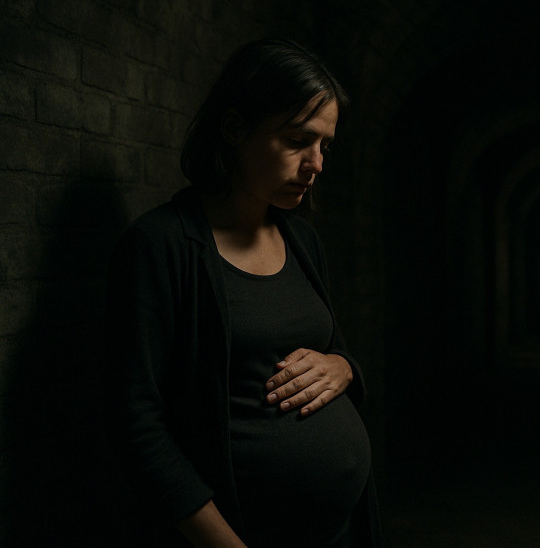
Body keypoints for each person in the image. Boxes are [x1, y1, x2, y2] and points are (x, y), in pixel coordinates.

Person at [104, 39, 380, 547]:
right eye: (298, 140)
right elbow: (135, 426)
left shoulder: (302, 242)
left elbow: (334, 350)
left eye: (325, 145)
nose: (316, 164)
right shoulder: (162, 247)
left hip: (339, 533)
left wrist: (344, 369)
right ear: (234, 129)